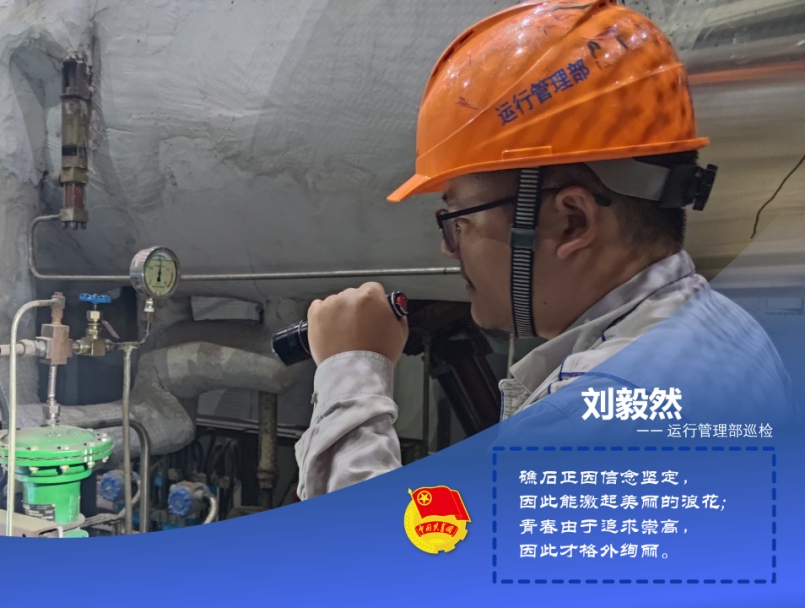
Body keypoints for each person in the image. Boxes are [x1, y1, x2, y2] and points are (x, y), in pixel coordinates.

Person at [294, 0, 791, 500]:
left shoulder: (599, 410)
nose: (449, 249)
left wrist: (351, 371)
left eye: (459, 220)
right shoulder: (715, 325)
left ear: (572, 220)